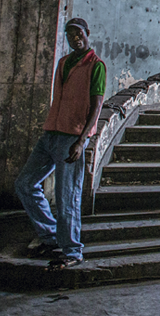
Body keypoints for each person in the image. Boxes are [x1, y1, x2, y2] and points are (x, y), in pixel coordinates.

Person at [15, 18, 106, 269]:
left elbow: (97, 105)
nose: (75, 38)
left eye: (79, 33)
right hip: (51, 133)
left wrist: (81, 140)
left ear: (87, 34)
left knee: (67, 196)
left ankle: (72, 251)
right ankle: (50, 236)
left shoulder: (96, 65)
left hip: (71, 138)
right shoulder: (64, 63)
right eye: (70, 34)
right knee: (24, 184)